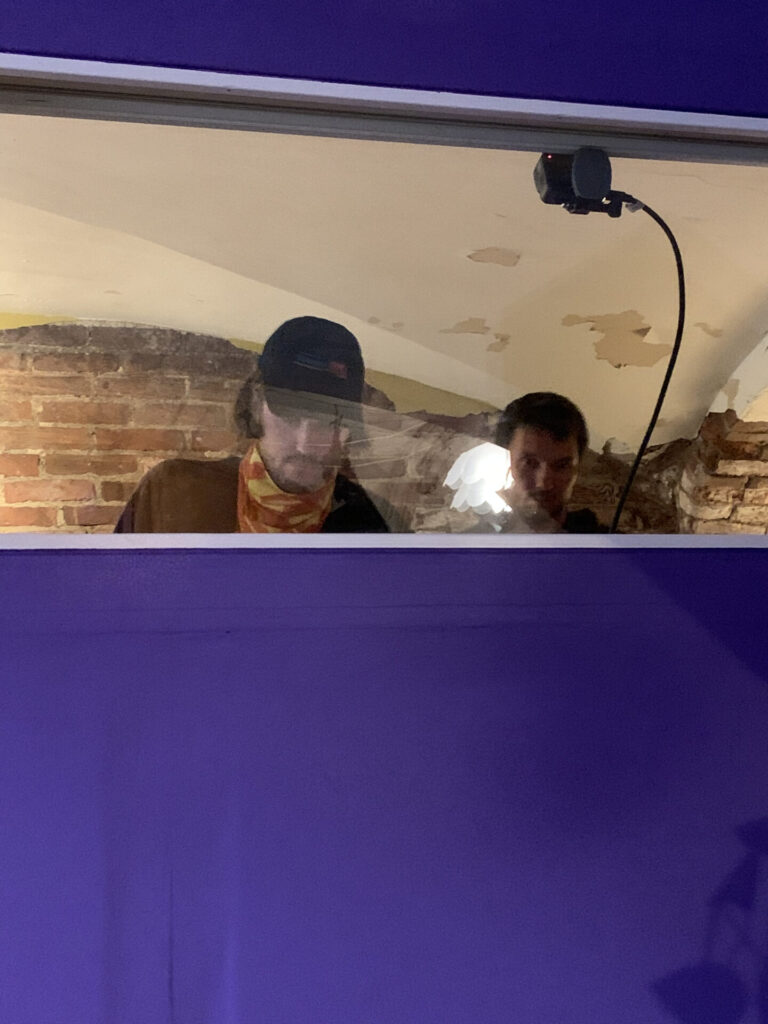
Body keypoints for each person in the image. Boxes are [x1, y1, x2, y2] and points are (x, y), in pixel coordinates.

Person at [114, 317, 390, 533]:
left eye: (330, 421)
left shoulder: (371, 523)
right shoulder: (174, 491)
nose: (305, 444)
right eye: (290, 416)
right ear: (256, 404)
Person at [493, 391, 602, 533]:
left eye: (561, 466)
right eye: (529, 463)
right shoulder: (470, 542)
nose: (543, 483)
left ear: (577, 469)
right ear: (504, 462)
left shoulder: (614, 544)